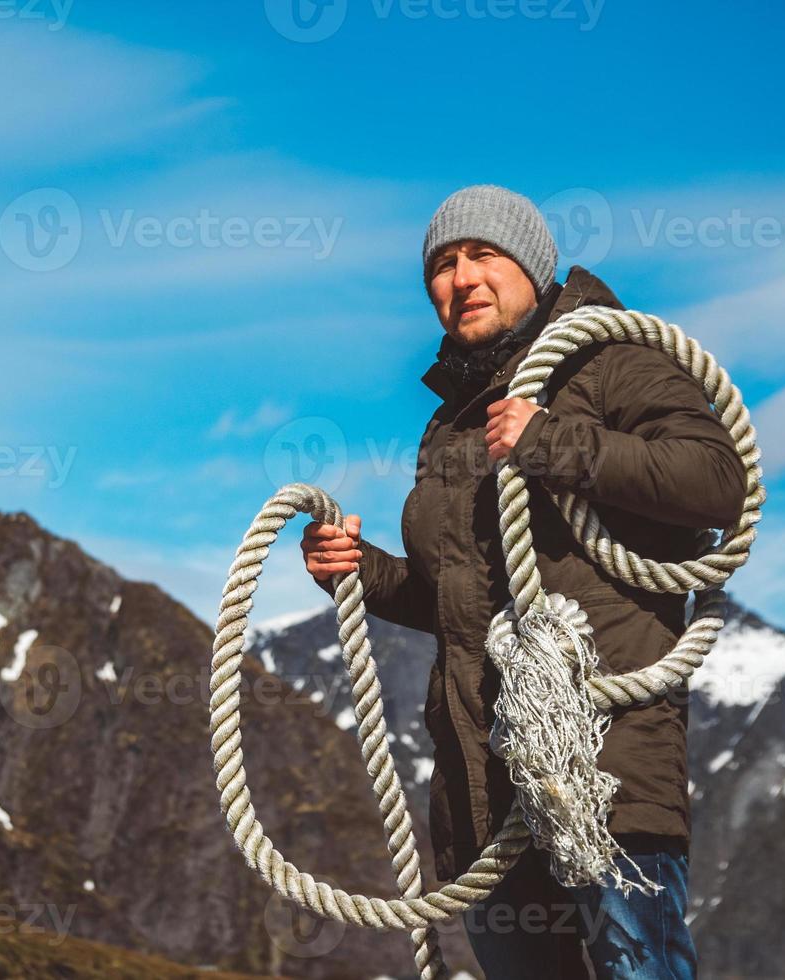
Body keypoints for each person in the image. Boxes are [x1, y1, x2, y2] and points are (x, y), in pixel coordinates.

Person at [300, 184, 747, 978]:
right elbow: (463, 602)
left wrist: (552, 441)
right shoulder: (450, 425)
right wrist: (359, 574)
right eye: (442, 265)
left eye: (483, 256)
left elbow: (717, 482)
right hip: (483, 780)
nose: (461, 278)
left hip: (603, 765)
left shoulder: (614, 362)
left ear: (533, 269)